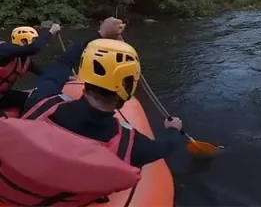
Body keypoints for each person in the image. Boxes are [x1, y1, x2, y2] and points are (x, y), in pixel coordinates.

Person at [0, 38, 183, 206]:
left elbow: (62, 64)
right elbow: (167, 146)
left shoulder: (40, 100)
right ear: (129, 87)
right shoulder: (134, 147)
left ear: (84, 76)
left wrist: (100, 34)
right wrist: (173, 128)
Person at [0, 23, 61, 110]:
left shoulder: (25, 61)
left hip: (3, 96)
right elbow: (34, 48)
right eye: (33, 40)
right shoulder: (4, 50)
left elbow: (43, 73)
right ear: (23, 41)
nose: (35, 42)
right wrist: (51, 32)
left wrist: (63, 77)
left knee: (35, 100)